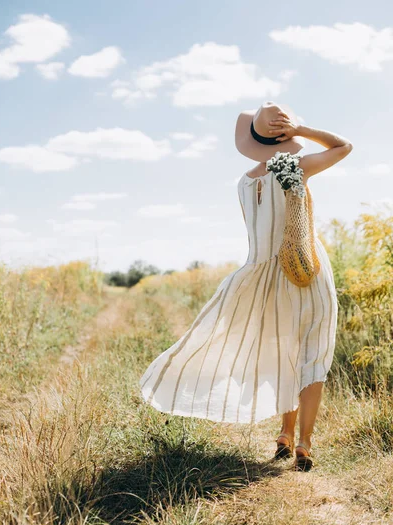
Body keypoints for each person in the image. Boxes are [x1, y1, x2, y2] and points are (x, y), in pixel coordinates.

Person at [139, 100, 353, 471]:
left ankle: (284, 435)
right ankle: (304, 442)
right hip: (304, 266)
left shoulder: (244, 183)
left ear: (253, 138)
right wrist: (301, 132)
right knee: (312, 353)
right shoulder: (294, 167)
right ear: (285, 135)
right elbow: (343, 147)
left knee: (283, 350)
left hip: (262, 274)